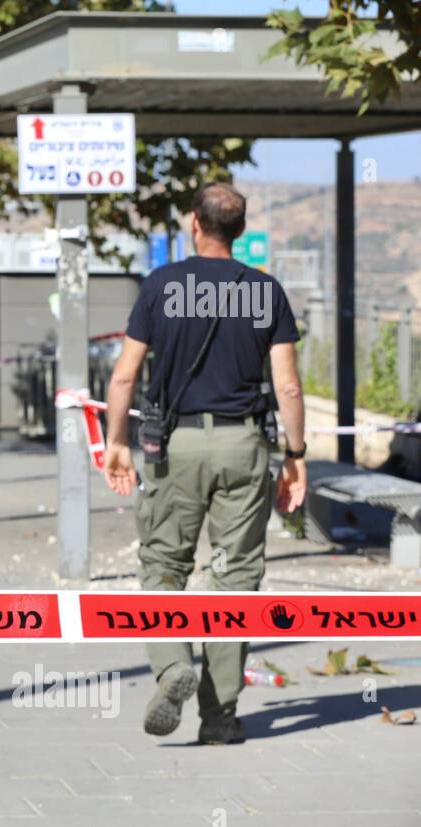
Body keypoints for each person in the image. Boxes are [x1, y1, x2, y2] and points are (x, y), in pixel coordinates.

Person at [102, 182, 308, 746]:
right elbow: (287, 385)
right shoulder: (264, 291)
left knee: (164, 564)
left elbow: (124, 375)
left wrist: (115, 440)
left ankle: (172, 669)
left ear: (195, 222)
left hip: (176, 445)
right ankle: (220, 718)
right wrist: (296, 455)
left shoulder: (163, 285)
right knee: (234, 578)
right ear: (237, 230)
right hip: (244, 446)